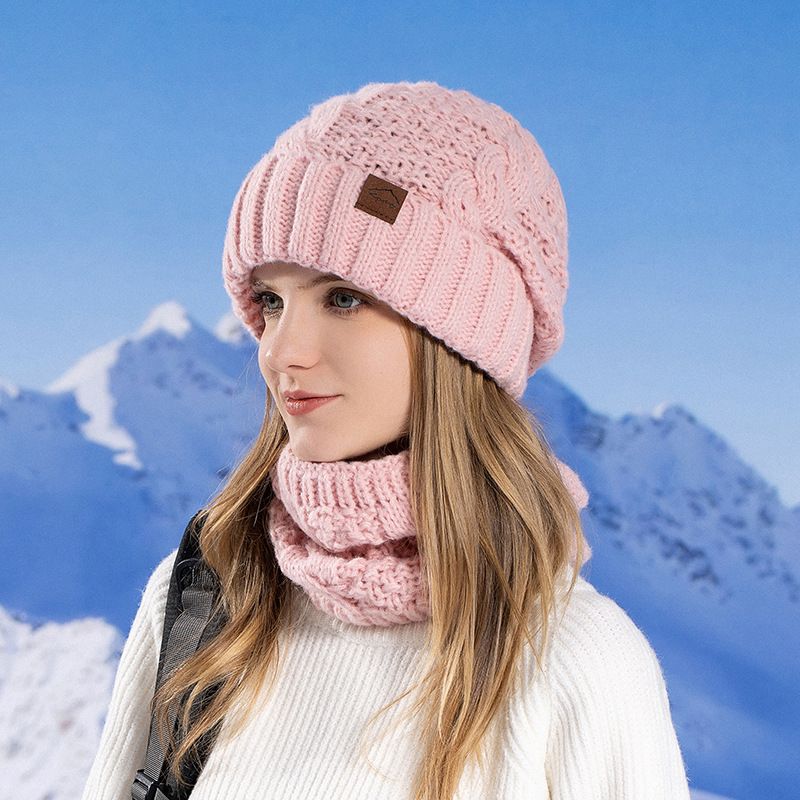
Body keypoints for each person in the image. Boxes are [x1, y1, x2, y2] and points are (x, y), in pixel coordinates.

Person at [80, 80, 691, 800]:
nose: (281, 351)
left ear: (458, 339)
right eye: (271, 302)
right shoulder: (205, 604)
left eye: (343, 298)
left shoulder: (576, 662)